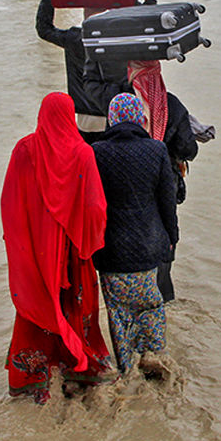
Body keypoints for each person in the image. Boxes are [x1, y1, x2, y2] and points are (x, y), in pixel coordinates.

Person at [1, 92, 112, 402]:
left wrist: (19, 244)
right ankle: (80, 369)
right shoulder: (82, 152)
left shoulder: (24, 149)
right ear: (70, 115)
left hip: (36, 249)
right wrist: (90, 242)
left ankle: (32, 377)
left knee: (37, 304)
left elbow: (11, 201)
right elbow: (94, 208)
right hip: (74, 251)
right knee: (77, 305)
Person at [91, 94, 178, 376]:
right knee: (151, 304)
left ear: (112, 117)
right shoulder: (156, 150)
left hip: (111, 251)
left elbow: (91, 204)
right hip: (148, 246)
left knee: (118, 312)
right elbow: (167, 199)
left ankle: (127, 370)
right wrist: (172, 235)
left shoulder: (96, 152)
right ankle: (154, 359)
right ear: (141, 118)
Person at [36, 0, 154, 143]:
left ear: (85, 12)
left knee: (89, 160)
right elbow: (150, 31)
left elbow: (44, 30)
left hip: (85, 116)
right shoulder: (118, 38)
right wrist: (147, 1)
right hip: (116, 110)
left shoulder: (75, 38)